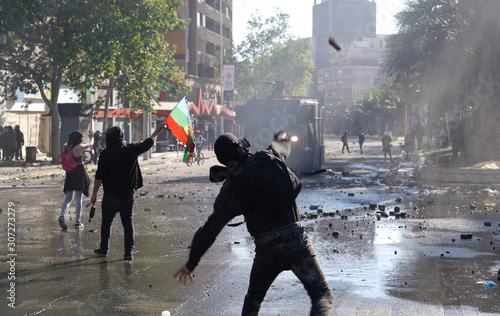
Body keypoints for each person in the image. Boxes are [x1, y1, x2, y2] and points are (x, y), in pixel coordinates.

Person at [174, 132, 333, 315]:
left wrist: (191, 263)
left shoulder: (233, 186)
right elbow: (280, 148)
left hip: (266, 250)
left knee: (253, 301)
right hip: (296, 242)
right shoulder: (266, 159)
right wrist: (283, 138)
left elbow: (210, 228)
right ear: (240, 147)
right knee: (320, 294)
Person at [91, 124, 164, 261]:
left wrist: (94, 193)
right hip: (127, 195)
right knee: (128, 222)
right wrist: (157, 131)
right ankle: (128, 252)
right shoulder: (131, 150)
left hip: (110, 195)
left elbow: (99, 176)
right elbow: (148, 143)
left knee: (106, 223)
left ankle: (103, 249)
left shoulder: (105, 154)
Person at [59, 130, 94, 229]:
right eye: (81, 138)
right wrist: (92, 137)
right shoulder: (79, 148)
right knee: (79, 197)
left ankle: (61, 215)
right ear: (79, 139)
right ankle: (77, 222)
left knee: (69, 197)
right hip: (79, 172)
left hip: (69, 173)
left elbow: (66, 142)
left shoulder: (65, 146)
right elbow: (91, 144)